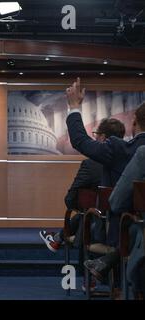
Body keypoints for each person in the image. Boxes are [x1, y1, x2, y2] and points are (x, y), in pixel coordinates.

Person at [66, 77, 145, 294]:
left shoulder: (122, 150)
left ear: (134, 124)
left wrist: (74, 108)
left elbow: (80, 141)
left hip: (122, 229)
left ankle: (115, 278)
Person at [40, 118, 126, 253]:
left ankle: (58, 238)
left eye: (96, 134)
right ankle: (57, 238)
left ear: (103, 137)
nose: (95, 137)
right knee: (87, 212)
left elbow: (70, 200)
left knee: (84, 214)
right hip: (128, 225)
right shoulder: (131, 160)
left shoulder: (91, 165)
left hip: (101, 228)